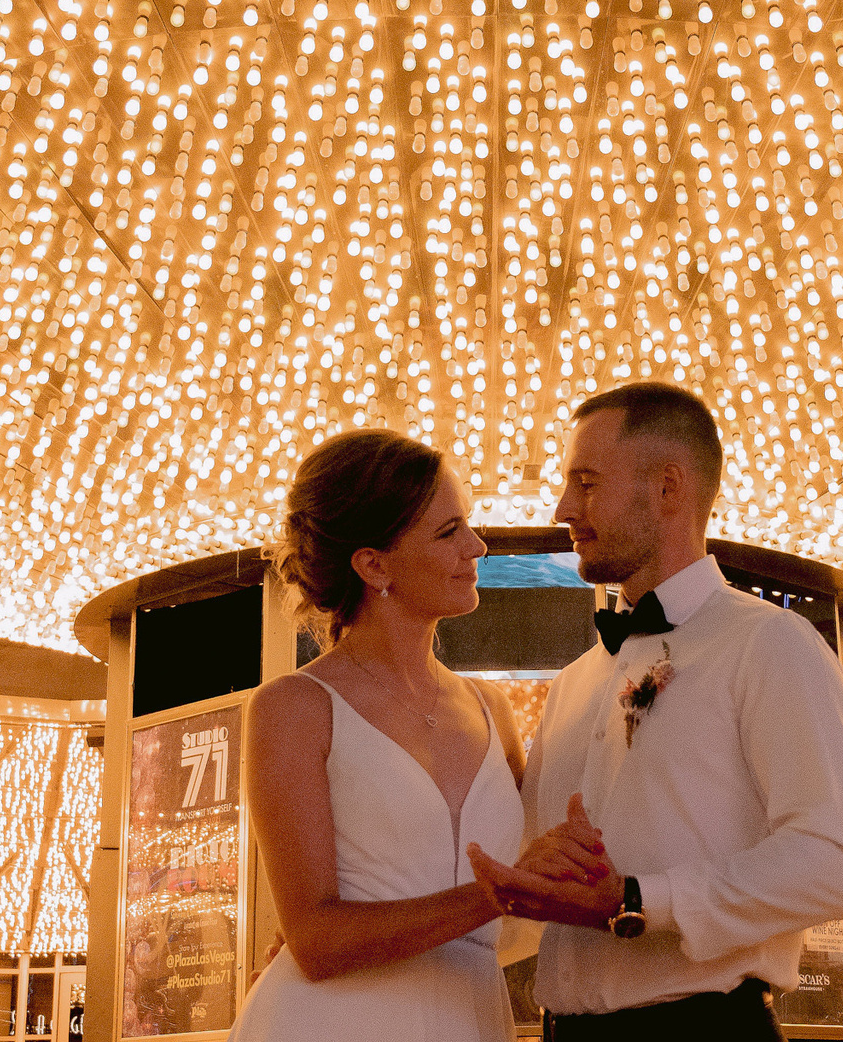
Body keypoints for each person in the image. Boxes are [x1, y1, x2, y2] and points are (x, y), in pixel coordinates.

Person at [468, 382, 843, 1040]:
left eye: (587, 482)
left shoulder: (769, 643)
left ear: (669, 487)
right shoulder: (574, 681)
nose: (564, 506)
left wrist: (636, 901)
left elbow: (831, 864)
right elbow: (529, 885)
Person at [232, 428, 592, 1040]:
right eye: (449, 532)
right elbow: (315, 941)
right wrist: (494, 896)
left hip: (471, 1018)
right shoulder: (294, 708)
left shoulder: (491, 707)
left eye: (468, 527)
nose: (477, 547)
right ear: (373, 564)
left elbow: (533, 900)